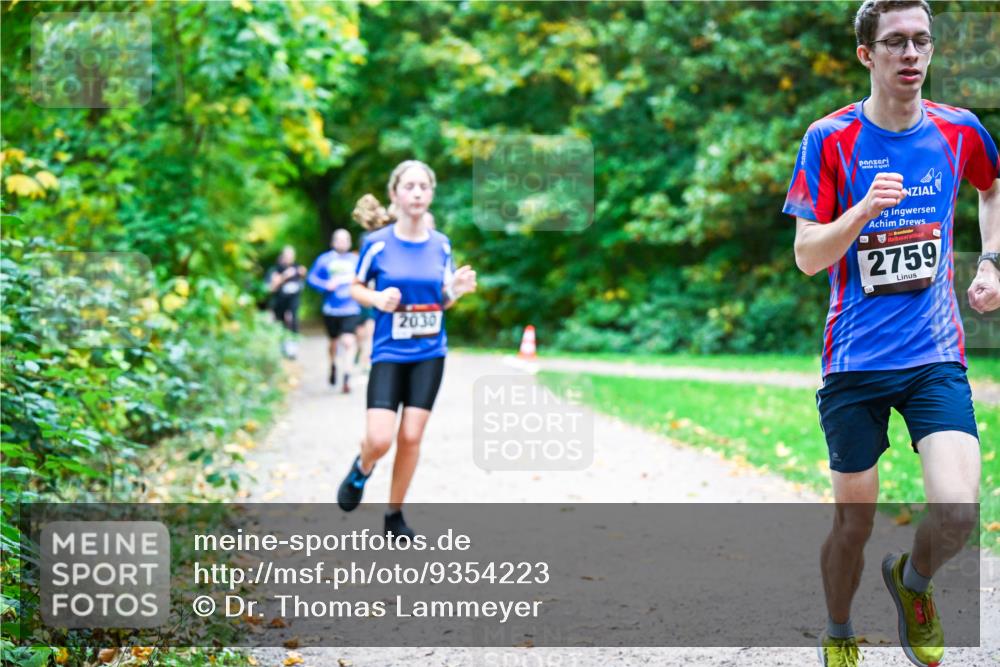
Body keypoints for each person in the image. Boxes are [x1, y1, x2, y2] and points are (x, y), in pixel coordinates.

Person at [782, 1, 999, 665]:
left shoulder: (959, 130)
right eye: (896, 41)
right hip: (855, 362)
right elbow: (807, 254)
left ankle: (914, 584)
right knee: (854, 525)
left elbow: (993, 186)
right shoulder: (830, 138)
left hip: (935, 356)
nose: (911, 54)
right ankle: (839, 629)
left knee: (958, 512)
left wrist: (991, 260)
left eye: (921, 41)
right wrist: (862, 210)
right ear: (866, 54)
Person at [336, 161, 476, 539]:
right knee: (380, 439)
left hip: (430, 352)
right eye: (409, 186)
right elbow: (355, 287)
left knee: (411, 436)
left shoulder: (441, 244)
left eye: (423, 187)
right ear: (394, 194)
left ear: (431, 194)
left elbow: (442, 299)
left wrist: (456, 290)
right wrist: (377, 299)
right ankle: (362, 467)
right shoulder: (377, 243)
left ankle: (394, 515)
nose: (417, 193)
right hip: (389, 353)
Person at [307, 229, 362, 392]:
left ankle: (347, 376)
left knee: (349, 341)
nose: (342, 243)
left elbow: (365, 278)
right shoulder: (324, 259)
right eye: (339, 240)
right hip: (331, 309)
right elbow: (311, 278)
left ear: (350, 242)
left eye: (346, 240)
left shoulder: (356, 260)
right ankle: (333, 365)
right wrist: (325, 285)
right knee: (334, 342)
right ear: (333, 242)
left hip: (351, 307)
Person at [266, 246, 306, 359]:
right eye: (287, 255)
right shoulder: (276, 270)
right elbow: (270, 288)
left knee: (292, 320)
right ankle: (282, 346)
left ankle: (293, 346)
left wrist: (302, 274)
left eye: (291, 255)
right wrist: (284, 276)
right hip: (279, 302)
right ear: (282, 256)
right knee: (281, 323)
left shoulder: (298, 267)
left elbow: (303, 279)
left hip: (293, 301)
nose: (289, 257)